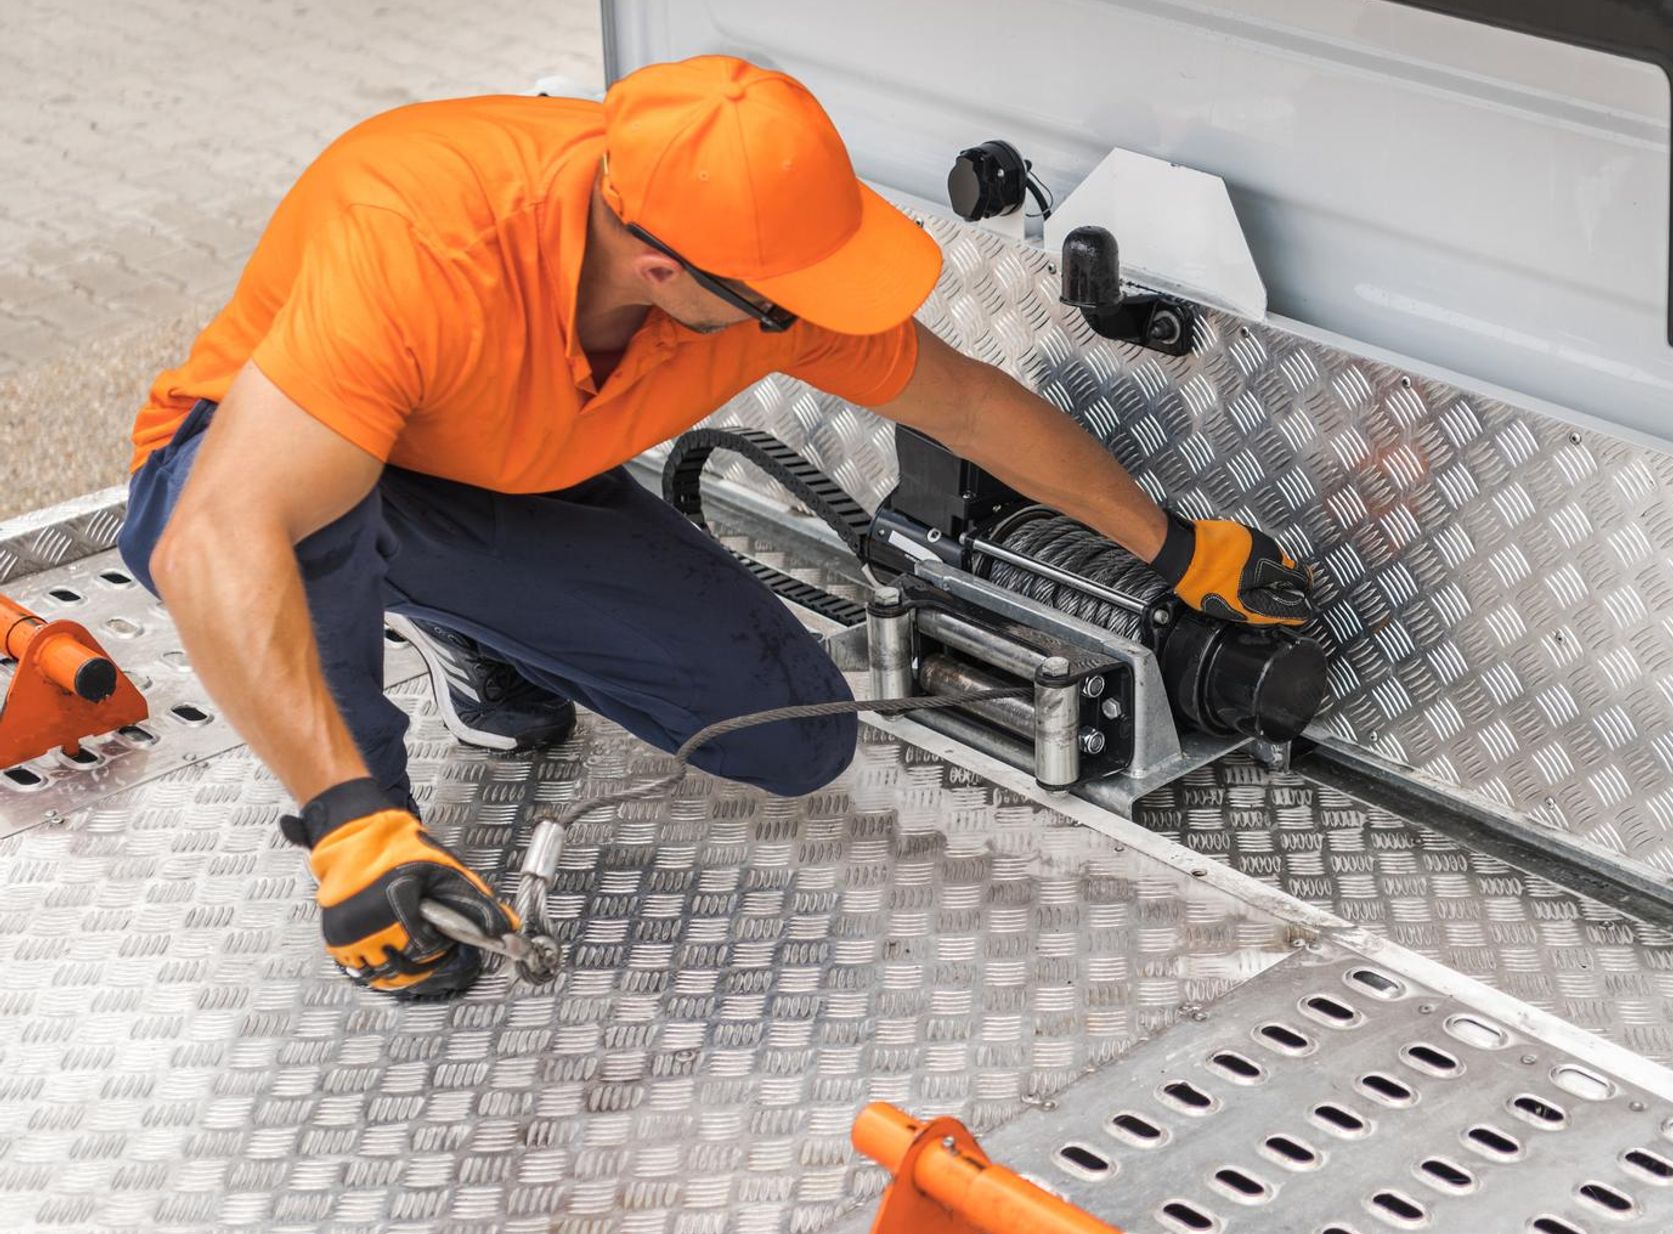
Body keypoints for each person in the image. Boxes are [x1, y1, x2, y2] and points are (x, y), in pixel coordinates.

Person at [116, 55, 1313, 1000]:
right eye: (778, 302)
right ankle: (373, 831)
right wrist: (347, 825)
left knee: (789, 738)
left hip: (502, 474)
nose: (806, 319)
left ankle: (462, 625)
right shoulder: (424, 240)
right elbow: (217, 535)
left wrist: (1172, 550)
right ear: (653, 265)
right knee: (319, 542)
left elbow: (969, 405)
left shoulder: (761, 257)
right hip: (264, 482)